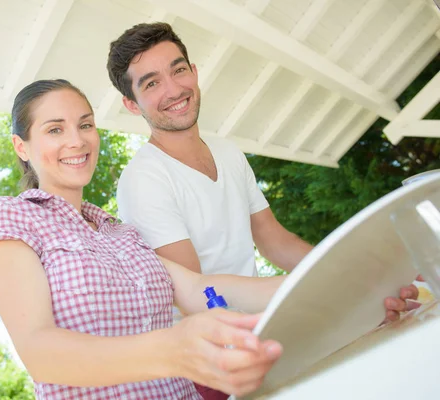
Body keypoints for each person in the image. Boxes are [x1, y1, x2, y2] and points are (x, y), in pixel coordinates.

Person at [107, 22, 420, 400]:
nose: (174, 89)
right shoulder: (143, 179)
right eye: (151, 83)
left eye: (178, 69)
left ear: (194, 72)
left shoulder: (227, 150)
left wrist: (351, 278)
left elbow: (275, 240)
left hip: (263, 327)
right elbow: (197, 296)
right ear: (130, 104)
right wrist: (326, 296)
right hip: (216, 363)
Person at [0, 79, 286, 400]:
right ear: (21, 146)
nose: (77, 140)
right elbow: (40, 353)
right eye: (55, 130)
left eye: (85, 125)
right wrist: (173, 349)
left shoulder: (122, 234)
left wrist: (310, 278)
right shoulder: (13, 217)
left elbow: (196, 289)